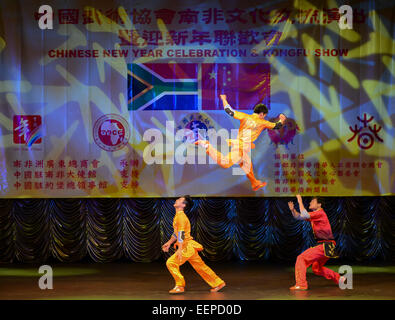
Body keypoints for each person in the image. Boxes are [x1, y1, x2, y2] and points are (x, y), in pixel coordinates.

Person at [195, 94, 286, 191]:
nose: (264, 118)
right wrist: (282, 119)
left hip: (241, 146)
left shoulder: (244, 116)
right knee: (225, 163)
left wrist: (223, 99)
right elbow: (277, 126)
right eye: (264, 116)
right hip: (240, 148)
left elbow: (228, 110)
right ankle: (207, 145)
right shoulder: (262, 122)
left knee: (247, 165)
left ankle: (255, 183)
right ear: (261, 114)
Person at [162, 195, 226, 294]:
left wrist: (180, 249)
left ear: (183, 205)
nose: (176, 200)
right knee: (200, 266)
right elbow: (177, 233)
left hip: (186, 247)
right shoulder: (178, 216)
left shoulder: (181, 217)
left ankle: (180, 286)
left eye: (179, 200)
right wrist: (169, 242)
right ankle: (218, 283)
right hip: (189, 246)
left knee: (171, 263)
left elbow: (181, 233)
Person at [287, 195, 345, 290]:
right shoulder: (315, 215)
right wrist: (293, 210)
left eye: (313, 201)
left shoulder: (320, 213)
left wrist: (299, 200)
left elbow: (304, 214)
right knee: (316, 268)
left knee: (301, 258)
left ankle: (301, 284)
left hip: (325, 245)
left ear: (319, 204)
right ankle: (339, 278)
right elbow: (299, 217)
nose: (310, 203)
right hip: (327, 246)